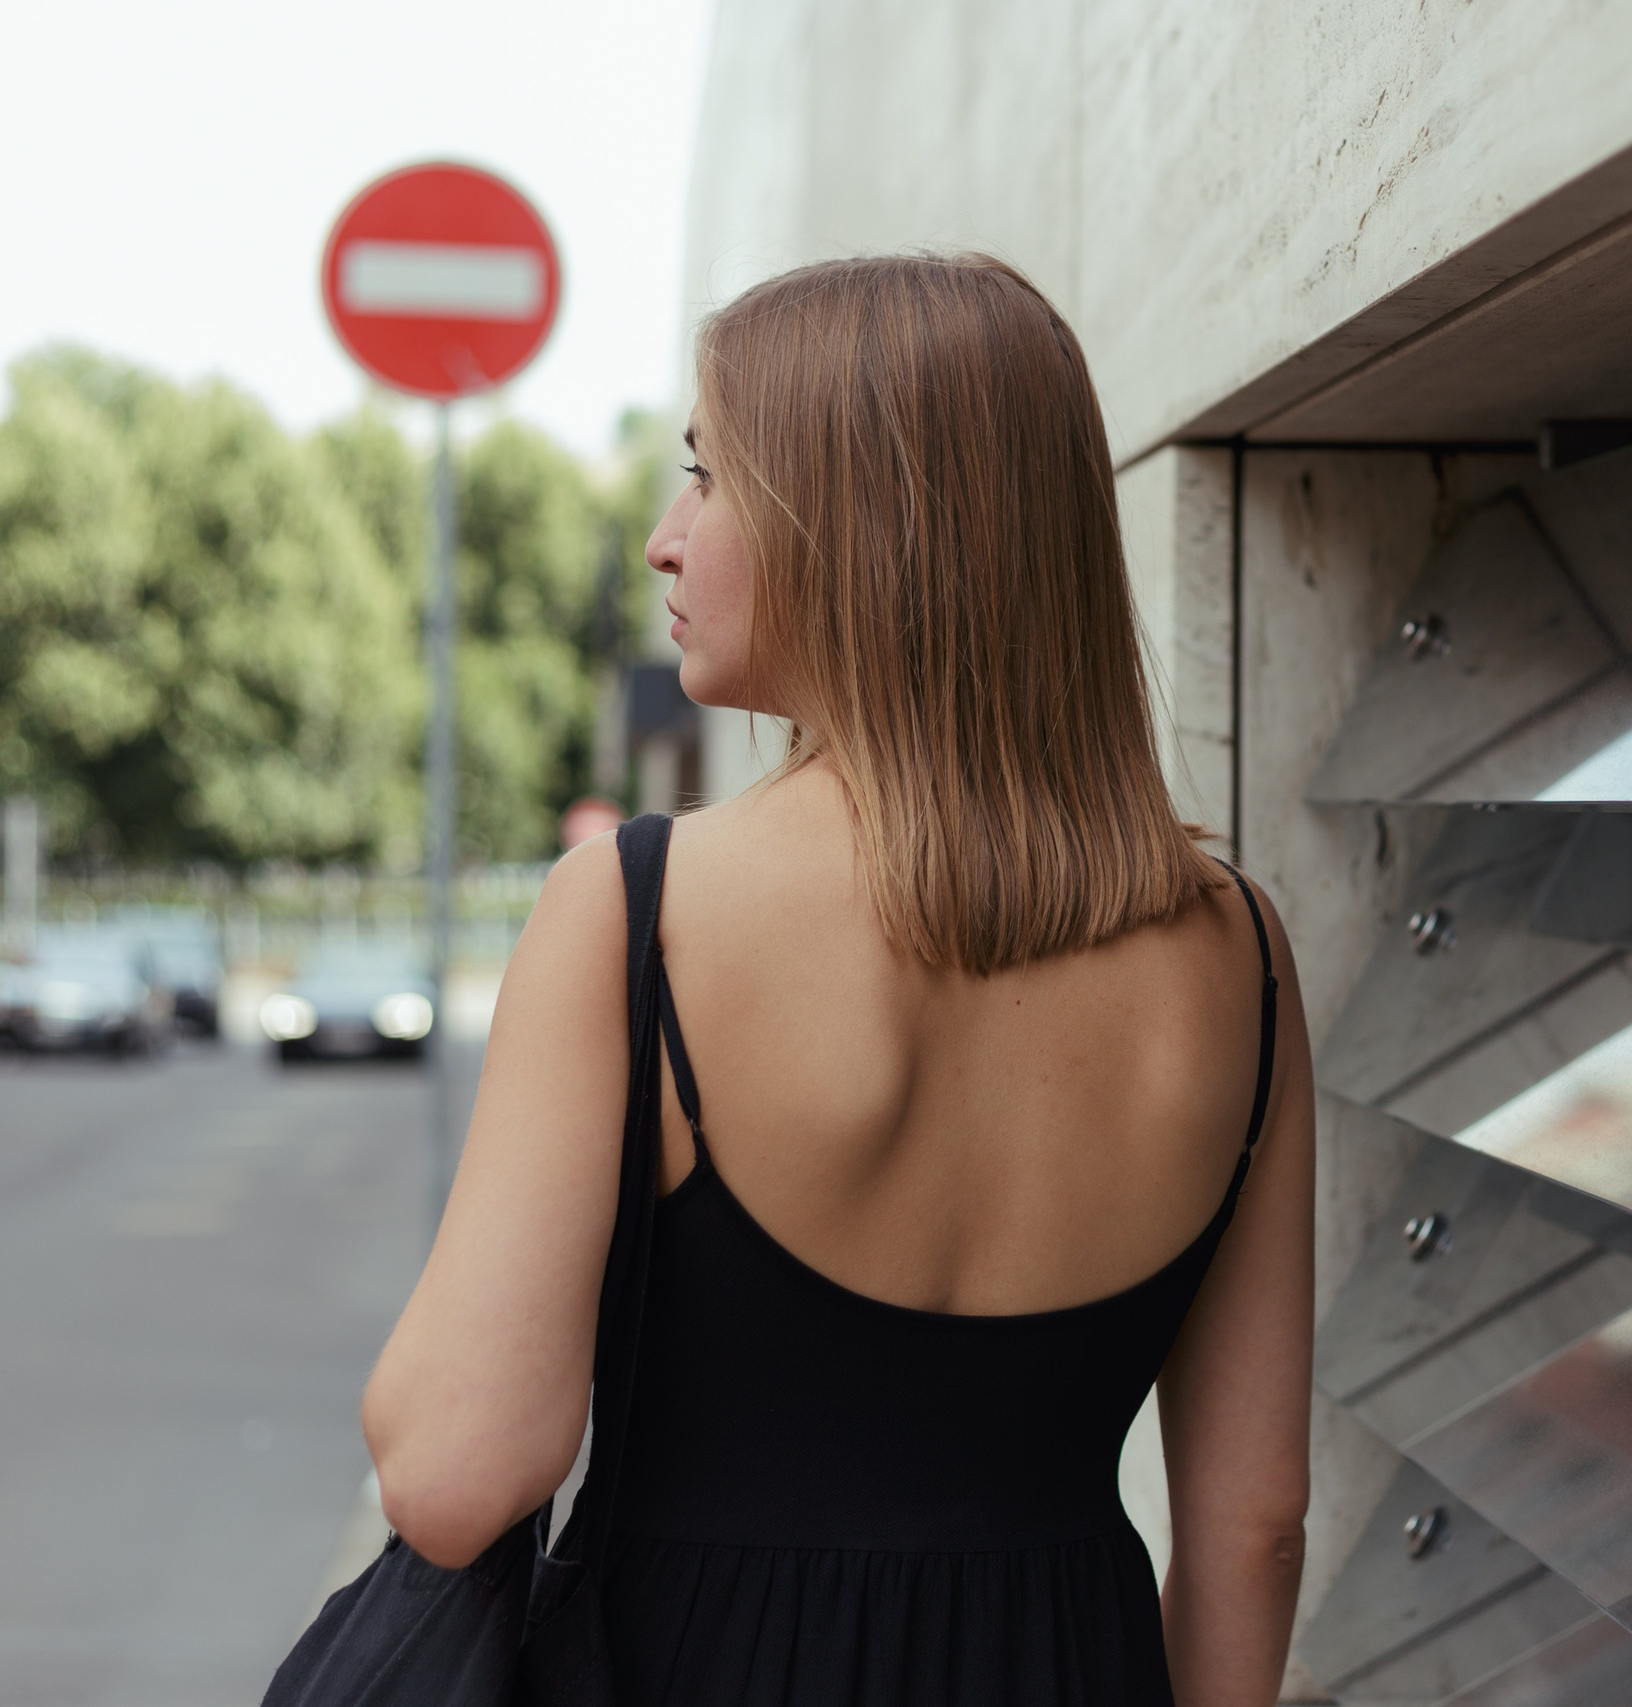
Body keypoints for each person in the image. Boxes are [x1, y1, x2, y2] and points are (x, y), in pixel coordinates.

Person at [358, 253, 1314, 1706]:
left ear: (861, 526)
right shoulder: (1239, 952)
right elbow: (1254, 1528)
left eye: (707, 476)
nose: (665, 541)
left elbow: (452, 1473)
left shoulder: (634, 914)